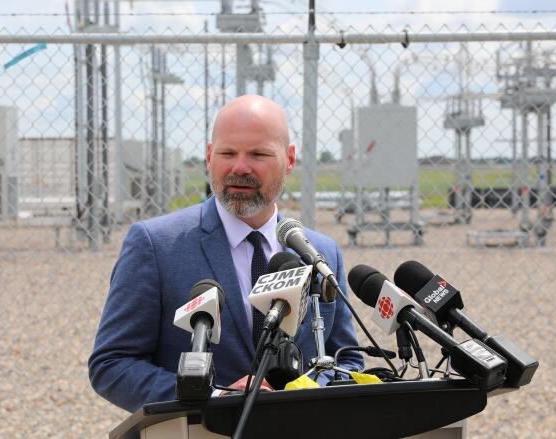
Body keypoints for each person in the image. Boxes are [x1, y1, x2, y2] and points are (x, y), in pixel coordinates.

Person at [88, 94, 363, 412]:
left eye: (258, 154)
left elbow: (346, 359)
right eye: (227, 153)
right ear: (209, 156)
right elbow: (112, 364)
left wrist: (303, 398)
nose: (240, 167)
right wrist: (213, 399)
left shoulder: (320, 253)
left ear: (289, 160)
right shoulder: (156, 245)